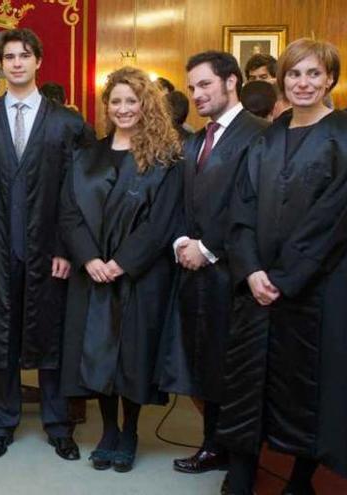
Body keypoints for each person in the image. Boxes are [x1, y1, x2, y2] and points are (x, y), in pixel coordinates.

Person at [220, 38, 347, 495]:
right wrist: (252, 270)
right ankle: (240, 472)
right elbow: (242, 209)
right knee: (248, 382)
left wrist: (285, 278)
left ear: (330, 78)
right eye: (294, 74)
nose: (303, 83)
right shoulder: (266, 138)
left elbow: (333, 220)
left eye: (314, 74)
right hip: (257, 287)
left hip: (318, 288)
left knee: (309, 386)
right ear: (281, 81)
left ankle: (301, 479)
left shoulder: (344, 136)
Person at [0, 28, 91, 461]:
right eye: (9, 57)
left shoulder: (67, 122)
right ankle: (2, 424)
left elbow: (79, 193)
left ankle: (59, 425)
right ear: (1, 65)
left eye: (24, 56)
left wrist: (65, 248)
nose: (17, 63)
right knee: (1, 337)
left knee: (51, 338)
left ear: (38, 61)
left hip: (49, 250)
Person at [59, 66, 183, 473]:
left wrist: (121, 263)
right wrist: (90, 259)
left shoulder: (165, 159)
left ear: (145, 104)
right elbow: (69, 213)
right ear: (106, 107)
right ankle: (108, 430)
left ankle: (130, 431)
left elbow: (162, 221)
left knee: (131, 357)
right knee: (95, 355)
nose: (124, 108)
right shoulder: (86, 155)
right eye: (116, 101)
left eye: (132, 101)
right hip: (91, 272)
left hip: (138, 275)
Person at [162, 51, 269, 476]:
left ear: (231, 82)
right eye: (191, 88)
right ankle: (212, 444)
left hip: (235, 273)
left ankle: (235, 451)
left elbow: (253, 204)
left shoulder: (260, 134)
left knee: (234, 369)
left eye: (205, 85)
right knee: (207, 363)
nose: (197, 94)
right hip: (195, 273)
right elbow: (184, 201)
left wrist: (208, 247)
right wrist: (183, 242)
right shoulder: (196, 140)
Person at [244, 53, 291, 119]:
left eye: (263, 77)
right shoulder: (245, 106)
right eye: (253, 78)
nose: (258, 82)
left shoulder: (286, 102)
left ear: (275, 78)